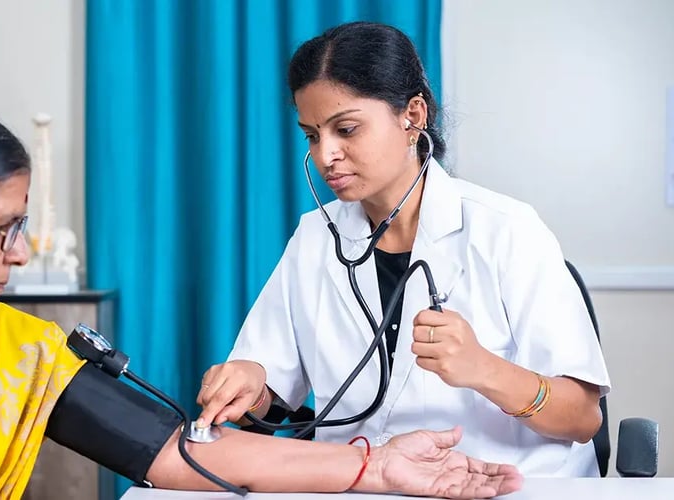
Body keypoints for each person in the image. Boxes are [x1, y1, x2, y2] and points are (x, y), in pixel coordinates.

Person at [0, 95, 522, 499]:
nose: (21, 252)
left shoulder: (12, 349)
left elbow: (177, 451)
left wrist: (375, 469)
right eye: (0, 230)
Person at [197, 21, 611, 477]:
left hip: (504, 483)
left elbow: (582, 417)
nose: (325, 155)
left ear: (413, 116)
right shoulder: (315, 238)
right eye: (313, 135)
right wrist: (250, 385)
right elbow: (269, 393)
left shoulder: (508, 231)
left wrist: (485, 370)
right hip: (365, 483)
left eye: (346, 129)